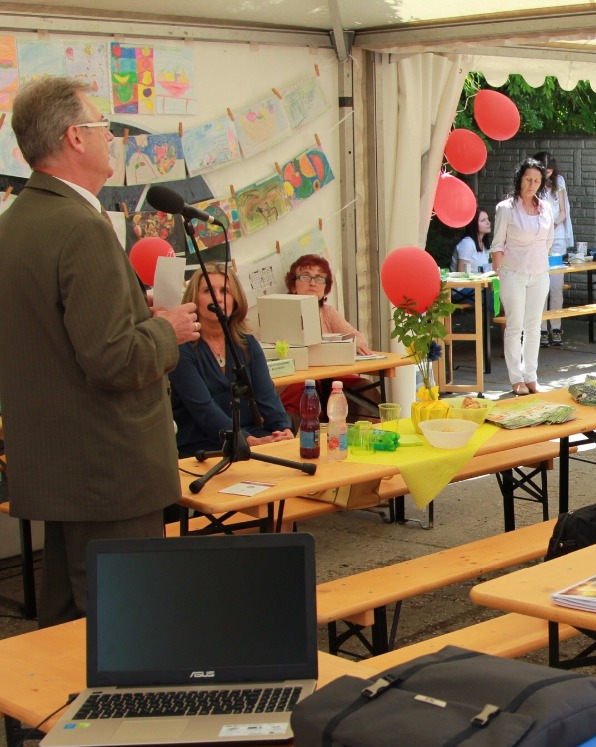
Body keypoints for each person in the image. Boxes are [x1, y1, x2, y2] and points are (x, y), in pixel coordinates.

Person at [0, 77, 199, 627]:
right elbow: (115, 360)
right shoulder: (81, 226)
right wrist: (168, 330)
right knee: (127, 630)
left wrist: (138, 317)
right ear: (74, 137)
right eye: (102, 126)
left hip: (56, 465)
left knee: (66, 629)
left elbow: (58, 338)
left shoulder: (15, 223)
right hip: (109, 470)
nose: (110, 137)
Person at [170, 266, 294, 458]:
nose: (218, 298)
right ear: (193, 300)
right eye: (208, 291)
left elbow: (267, 396)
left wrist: (283, 429)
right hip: (204, 449)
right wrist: (248, 440)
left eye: (225, 291)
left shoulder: (247, 344)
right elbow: (204, 411)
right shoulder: (181, 350)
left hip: (253, 440)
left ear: (235, 300)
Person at [491, 157, 554, 395]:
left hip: (539, 274)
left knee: (534, 326)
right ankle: (516, 378)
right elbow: (497, 245)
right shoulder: (506, 208)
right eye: (528, 179)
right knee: (515, 326)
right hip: (513, 274)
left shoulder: (546, 208)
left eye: (537, 181)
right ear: (520, 179)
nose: (532, 185)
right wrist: (499, 275)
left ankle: (531, 377)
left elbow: (548, 242)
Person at [287, 254, 371, 354]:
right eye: (305, 277)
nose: (312, 283)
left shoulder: (327, 312)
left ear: (325, 288)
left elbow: (359, 339)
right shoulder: (282, 311)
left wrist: (351, 344)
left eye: (319, 278)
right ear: (293, 286)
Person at [534, 151, 572, 347]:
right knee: (541, 286)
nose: (546, 174)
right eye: (544, 170)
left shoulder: (559, 182)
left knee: (556, 286)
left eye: (549, 171)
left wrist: (554, 224)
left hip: (556, 236)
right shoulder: (532, 182)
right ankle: (541, 329)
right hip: (538, 237)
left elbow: (563, 211)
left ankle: (556, 327)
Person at [453, 208, 493, 273]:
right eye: (483, 220)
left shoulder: (484, 245)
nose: (488, 222)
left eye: (488, 219)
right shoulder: (467, 243)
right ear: (474, 224)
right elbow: (462, 274)